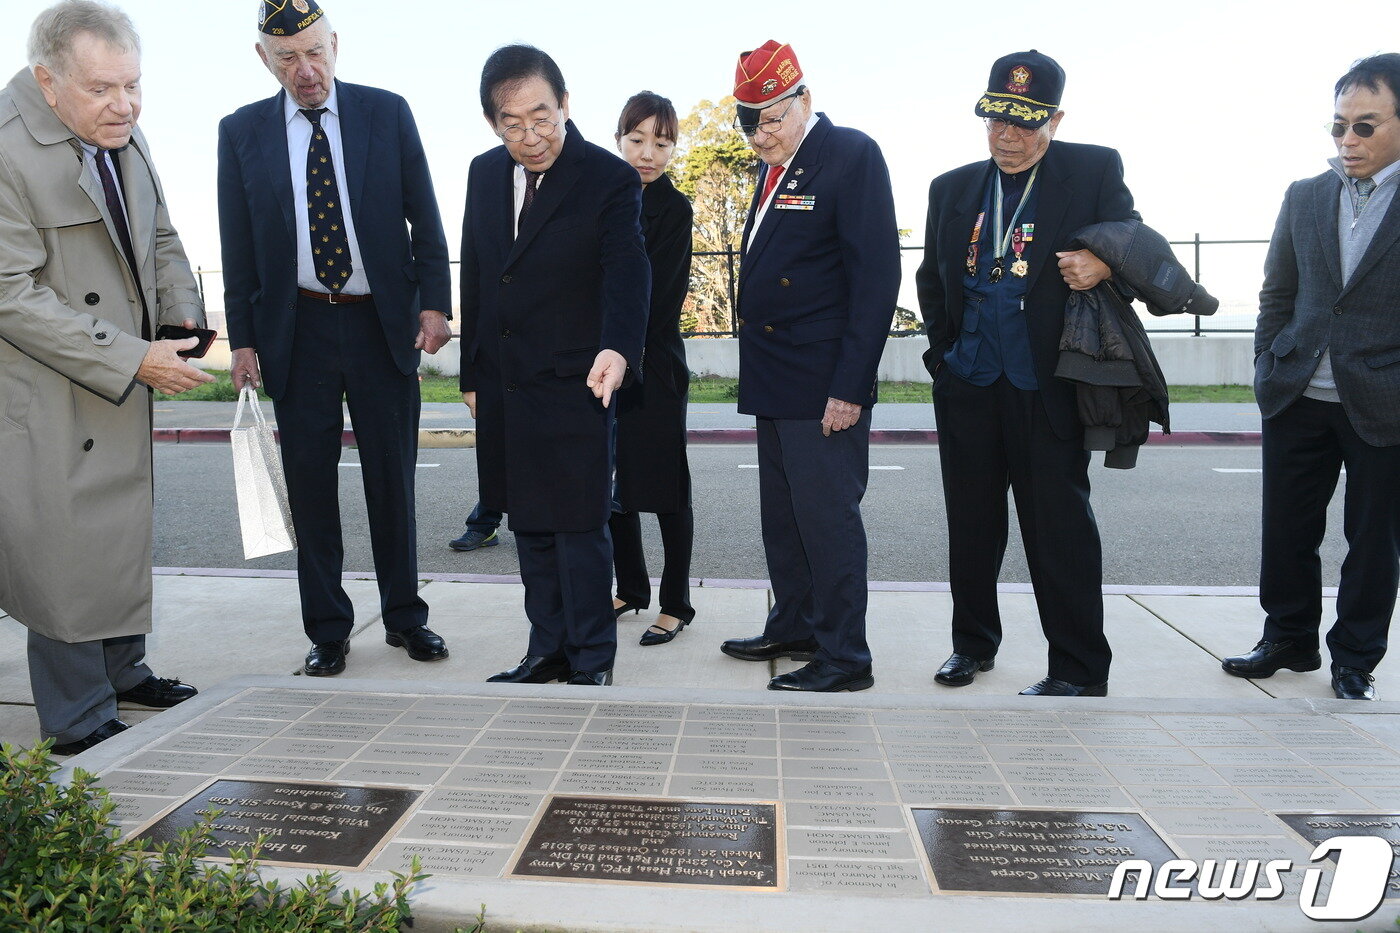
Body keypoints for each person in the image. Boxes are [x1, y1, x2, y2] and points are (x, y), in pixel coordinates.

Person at [0, 0, 212, 755]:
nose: (124, 104)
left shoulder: (121, 129)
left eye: (134, 85)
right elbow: (10, 294)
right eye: (103, 89)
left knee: (117, 531)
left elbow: (158, 232)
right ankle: (78, 714)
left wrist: (181, 323)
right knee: (66, 545)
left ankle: (123, 670)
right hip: (53, 386)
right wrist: (129, 356)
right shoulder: (6, 150)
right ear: (47, 81)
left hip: (123, 367)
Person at [217, 0, 452, 677]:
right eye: (288, 57)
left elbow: (425, 219)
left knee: (391, 481)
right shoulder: (241, 133)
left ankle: (407, 617)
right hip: (299, 327)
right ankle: (327, 628)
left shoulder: (388, 112)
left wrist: (434, 304)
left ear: (336, 45)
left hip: (382, 323)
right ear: (265, 60)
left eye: (315, 52)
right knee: (311, 488)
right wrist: (243, 338)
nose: (305, 69)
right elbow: (238, 246)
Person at [916, 50, 1136, 697]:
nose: (1007, 137)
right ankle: (972, 645)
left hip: (1047, 387)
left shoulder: (1093, 171)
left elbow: (1133, 240)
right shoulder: (951, 188)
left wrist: (1102, 263)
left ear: (1055, 119)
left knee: (1060, 530)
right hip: (970, 383)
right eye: (996, 120)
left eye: (1024, 122)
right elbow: (933, 281)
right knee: (972, 526)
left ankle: (1076, 667)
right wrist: (944, 359)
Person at [460, 45, 649, 687]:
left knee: (578, 526)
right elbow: (479, 278)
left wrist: (618, 348)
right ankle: (547, 649)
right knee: (529, 526)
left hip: (579, 378)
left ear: (565, 105)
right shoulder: (484, 175)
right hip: (506, 380)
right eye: (513, 124)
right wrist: (471, 372)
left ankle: (592, 658)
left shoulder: (607, 177)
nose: (531, 136)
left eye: (542, 116)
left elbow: (628, 269)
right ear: (493, 124)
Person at [717, 41, 900, 692]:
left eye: (770, 117)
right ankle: (794, 621)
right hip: (775, 377)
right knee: (785, 518)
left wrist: (851, 386)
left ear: (805, 101)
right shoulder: (774, 169)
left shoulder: (847, 156)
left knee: (827, 521)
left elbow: (876, 280)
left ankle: (846, 655)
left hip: (824, 383)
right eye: (747, 120)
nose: (759, 133)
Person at [1222, 54, 1400, 701]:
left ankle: (1354, 657)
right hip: (1297, 393)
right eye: (1339, 127)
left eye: (1365, 126)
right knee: (1288, 529)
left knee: (1373, 540)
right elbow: (1278, 293)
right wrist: (1269, 364)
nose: (1347, 141)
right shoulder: (1305, 196)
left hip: (1383, 402)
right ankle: (1288, 638)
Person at [609, 91, 696, 647]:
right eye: (637, 140)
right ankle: (630, 587)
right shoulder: (599, 195)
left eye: (661, 144)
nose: (648, 154)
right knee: (612, 486)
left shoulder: (676, 208)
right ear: (618, 139)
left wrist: (614, 343)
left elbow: (660, 297)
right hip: (601, 366)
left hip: (654, 365)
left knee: (666, 489)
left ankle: (676, 603)